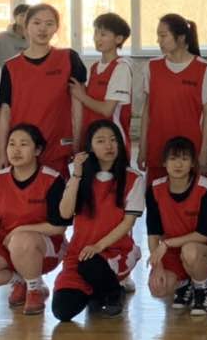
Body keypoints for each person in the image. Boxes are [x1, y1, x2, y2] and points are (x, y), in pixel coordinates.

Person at [0, 124, 68, 315]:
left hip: (44, 246)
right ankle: (19, 280)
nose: (16, 150)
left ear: (37, 150)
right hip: (7, 243)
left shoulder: (52, 180)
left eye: (23, 144)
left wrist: (20, 230)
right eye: (12, 144)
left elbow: (59, 227)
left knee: (22, 240)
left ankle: (34, 289)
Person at [53, 121, 144, 322]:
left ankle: (113, 293)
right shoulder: (79, 174)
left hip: (115, 250)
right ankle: (96, 291)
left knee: (90, 265)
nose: (108, 146)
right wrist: (77, 175)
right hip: (80, 253)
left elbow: (127, 224)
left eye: (113, 140)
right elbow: (65, 213)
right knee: (62, 310)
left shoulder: (133, 178)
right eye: (100, 141)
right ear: (90, 147)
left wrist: (98, 246)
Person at [0, 4, 86, 178]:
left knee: (58, 193)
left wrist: (77, 143)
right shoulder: (11, 66)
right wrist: (1, 152)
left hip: (57, 145)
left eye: (49, 23)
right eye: (37, 23)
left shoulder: (68, 58)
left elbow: (77, 105)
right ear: (26, 26)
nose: (43, 28)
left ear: (56, 28)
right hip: (23, 149)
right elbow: (5, 112)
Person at [145, 135, 207, 316]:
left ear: (192, 163)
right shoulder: (155, 189)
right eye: (173, 159)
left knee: (190, 251)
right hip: (174, 250)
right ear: (165, 162)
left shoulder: (206, 188)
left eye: (184, 159)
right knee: (158, 287)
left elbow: (204, 235)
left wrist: (166, 244)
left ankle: (201, 290)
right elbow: (153, 232)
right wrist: (157, 266)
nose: (178, 164)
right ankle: (185, 285)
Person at [136, 14, 207, 176]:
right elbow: (147, 112)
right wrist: (142, 147)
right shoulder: (152, 66)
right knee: (156, 191)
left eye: (163, 36)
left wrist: (204, 151)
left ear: (181, 38)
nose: (158, 41)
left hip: (189, 150)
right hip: (158, 147)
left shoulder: (203, 68)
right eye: (158, 36)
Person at [73, 12, 133, 150]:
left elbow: (107, 110)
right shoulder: (95, 67)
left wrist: (81, 96)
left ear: (118, 39)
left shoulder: (121, 67)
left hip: (111, 141)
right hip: (93, 137)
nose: (97, 38)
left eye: (103, 34)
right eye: (95, 33)